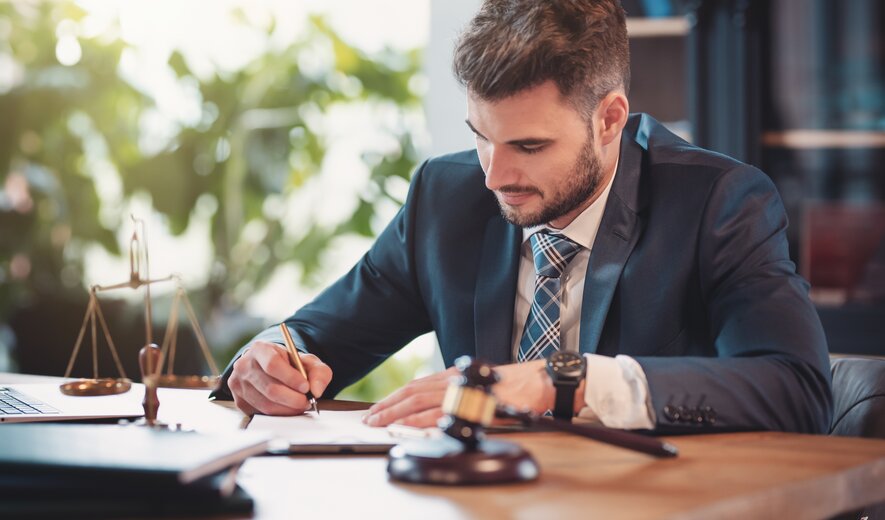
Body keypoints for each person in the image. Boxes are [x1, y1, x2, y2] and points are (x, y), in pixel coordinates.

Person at [210, 0, 833, 434]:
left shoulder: (718, 203)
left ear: (610, 118)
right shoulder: (445, 197)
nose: (494, 175)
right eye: (481, 137)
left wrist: (567, 381)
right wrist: (269, 362)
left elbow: (796, 390)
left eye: (530, 147)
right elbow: (314, 338)